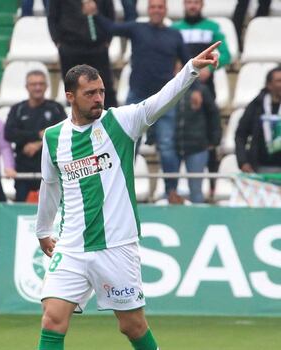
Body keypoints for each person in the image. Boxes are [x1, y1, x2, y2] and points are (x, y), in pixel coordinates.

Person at [0, 41, 221, 350]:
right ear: (70, 96)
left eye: (101, 91)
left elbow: (158, 101)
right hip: (71, 245)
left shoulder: (121, 122)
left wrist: (190, 70)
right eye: (90, 93)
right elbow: (50, 187)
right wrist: (42, 230)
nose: (99, 98)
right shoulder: (54, 138)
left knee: (132, 326)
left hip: (116, 247)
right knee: (52, 319)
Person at [87, 0, 200, 198]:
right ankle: (121, 190)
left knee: (166, 145)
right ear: (148, 10)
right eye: (153, 7)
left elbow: (187, 63)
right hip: (137, 97)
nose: (156, 10)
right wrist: (95, 14)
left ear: (165, 10)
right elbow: (112, 28)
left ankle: (171, 192)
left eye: (160, 7)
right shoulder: (137, 28)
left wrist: (197, 88)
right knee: (129, 143)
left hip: (165, 98)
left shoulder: (175, 35)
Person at [172, 0, 231, 201]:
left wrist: (210, 67)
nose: (192, 6)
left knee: (208, 135)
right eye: (189, 2)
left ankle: (212, 187)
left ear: (202, 5)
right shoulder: (175, 28)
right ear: (184, 5)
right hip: (180, 86)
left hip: (206, 88)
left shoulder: (212, 28)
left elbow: (226, 54)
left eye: (196, 2)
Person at [4, 70, 67, 202]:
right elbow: (9, 133)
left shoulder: (56, 108)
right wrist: (38, 134)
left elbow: (64, 133)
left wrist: (39, 144)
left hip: (51, 170)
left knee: (53, 209)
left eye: (41, 84)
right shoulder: (18, 109)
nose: (37, 87)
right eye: (33, 84)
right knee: (22, 209)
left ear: (46, 86)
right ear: (27, 87)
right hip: (23, 170)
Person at [47, 0, 117, 109]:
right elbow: (52, 16)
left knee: (104, 87)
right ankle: (75, 123)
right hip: (70, 47)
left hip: (98, 47)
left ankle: (109, 123)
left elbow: (110, 14)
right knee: (73, 88)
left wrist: (108, 39)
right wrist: (57, 41)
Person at [175, 83, 222, 203]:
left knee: (196, 189)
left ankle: (196, 219)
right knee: (170, 191)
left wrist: (214, 139)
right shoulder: (168, 89)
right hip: (173, 146)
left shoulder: (201, 90)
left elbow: (213, 113)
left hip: (198, 146)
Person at [235, 66, 281, 174]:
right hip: (260, 168)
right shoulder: (256, 106)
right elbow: (240, 135)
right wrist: (243, 161)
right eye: (279, 81)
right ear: (269, 85)